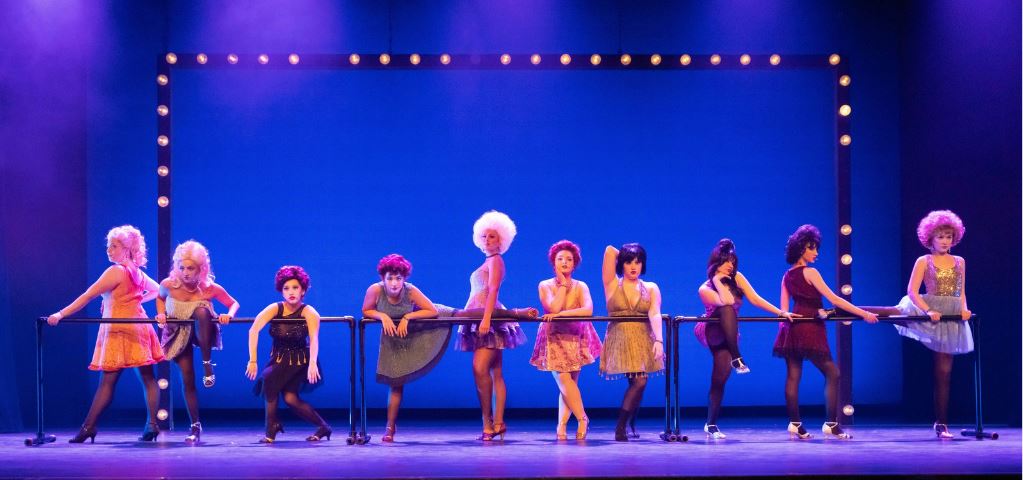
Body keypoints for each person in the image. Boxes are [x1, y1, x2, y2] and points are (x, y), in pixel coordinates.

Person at [47, 225, 165, 443]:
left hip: (119, 329)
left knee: (108, 382)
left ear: (127, 249)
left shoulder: (116, 271)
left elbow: (88, 295)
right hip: (138, 327)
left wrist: (60, 314)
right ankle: (152, 425)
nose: (109, 250)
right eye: (108, 246)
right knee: (148, 378)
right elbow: (159, 290)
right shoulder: (137, 272)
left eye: (114, 246)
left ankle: (88, 427)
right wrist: (137, 300)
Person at [869, 211, 973, 439]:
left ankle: (941, 423)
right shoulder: (924, 261)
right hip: (928, 308)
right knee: (892, 312)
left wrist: (964, 308)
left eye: (948, 236)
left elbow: (961, 291)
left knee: (944, 372)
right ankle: (847, 309)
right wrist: (928, 311)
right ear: (930, 238)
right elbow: (912, 291)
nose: (944, 241)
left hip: (951, 314)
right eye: (940, 236)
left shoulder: (960, 262)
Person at [774, 225, 877, 440]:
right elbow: (835, 299)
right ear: (801, 248)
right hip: (810, 327)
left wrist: (784, 330)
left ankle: (795, 424)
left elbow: (783, 311)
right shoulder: (811, 272)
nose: (816, 253)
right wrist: (864, 314)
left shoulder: (786, 276)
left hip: (791, 327)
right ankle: (831, 424)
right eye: (812, 248)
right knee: (833, 373)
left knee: (793, 376)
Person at [696, 238, 797, 439]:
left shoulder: (738, 277)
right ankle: (737, 357)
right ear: (716, 262)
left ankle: (711, 424)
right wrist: (717, 280)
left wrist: (780, 312)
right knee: (726, 309)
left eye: (733, 262)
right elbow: (726, 301)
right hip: (710, 329)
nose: (730, 265)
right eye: (726, 261)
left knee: (720, 377)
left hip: (729, 334)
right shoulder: (704, 288)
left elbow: (756, 299)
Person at [452, 211, 528, 441]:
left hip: (488, 318)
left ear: (501, 239)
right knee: (496, 372)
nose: (487, 240)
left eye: (492, 236)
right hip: (480, 316)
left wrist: (486, 319)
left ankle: (488, 422)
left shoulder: (496, 261)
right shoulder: (487, 261)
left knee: (480, 368)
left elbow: (493, 289)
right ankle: (498, 423)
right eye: (484, 236)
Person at [155, 240, 239, 442]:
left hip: (203, 331)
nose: (185, 273)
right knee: (188, 378)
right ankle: (195, 426)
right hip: (177, 333)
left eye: (190, 268)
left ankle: (207, 363)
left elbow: (233, 303)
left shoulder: (209, 288)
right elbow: (159, 298)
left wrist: (228, 315)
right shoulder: (168, 285)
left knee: (201, 311)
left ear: (201, 269)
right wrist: (161, 314)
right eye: (181, 267)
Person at [362, 254, 443, 442]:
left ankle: (507, 313)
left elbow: (433, 311)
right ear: (383, 278)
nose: (394, 283)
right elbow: (366, 310)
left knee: (458, 314)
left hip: (414, 334)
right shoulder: (375, 290)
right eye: (390, 278)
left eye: (398, 278)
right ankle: (390, 427)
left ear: (404, 278)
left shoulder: (410, 290)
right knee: (396, 384)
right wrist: (383, 316)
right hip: (392, 340)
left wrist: (408, 317)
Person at [245, 266, 331, 443]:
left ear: (303, 290)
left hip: (299, 360)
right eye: (286, 288)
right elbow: (253, 330)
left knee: (268, 379)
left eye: (295, 287)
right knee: (290, 398)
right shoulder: (275, 308)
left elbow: (314, 339)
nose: (291, 292)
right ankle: (324, 427)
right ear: (281, 291)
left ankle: (271, 428)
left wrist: (313, 363)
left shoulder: (309, 312)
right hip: (278, 358)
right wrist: (252, 360)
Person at [529, 240, 601, 440]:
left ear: (574, 263)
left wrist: (562, 315)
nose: (564, 262)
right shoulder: (545, 285)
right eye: (560, 258)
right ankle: (582, 418)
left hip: (576, 335)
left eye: (569, 259)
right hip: (554, 336)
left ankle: (561, 425)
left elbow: (587, 310)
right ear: (553, 262)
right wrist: (562, 285)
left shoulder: (581, 286)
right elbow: (553, 308)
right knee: (563, 379)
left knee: (569, 385)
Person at [599, 243, 664, 441]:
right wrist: (625, 254)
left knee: (638, 382)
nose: (634, 266)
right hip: (620, 337)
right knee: (639, 381)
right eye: (628, 262)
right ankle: (621, 426)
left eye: (638, 261)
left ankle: (628, 423)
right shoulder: (612, 283)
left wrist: (659, 340)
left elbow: (655, 313)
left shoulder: (650, 287)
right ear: (621, 264)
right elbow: (609, 250)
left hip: (642, 338)